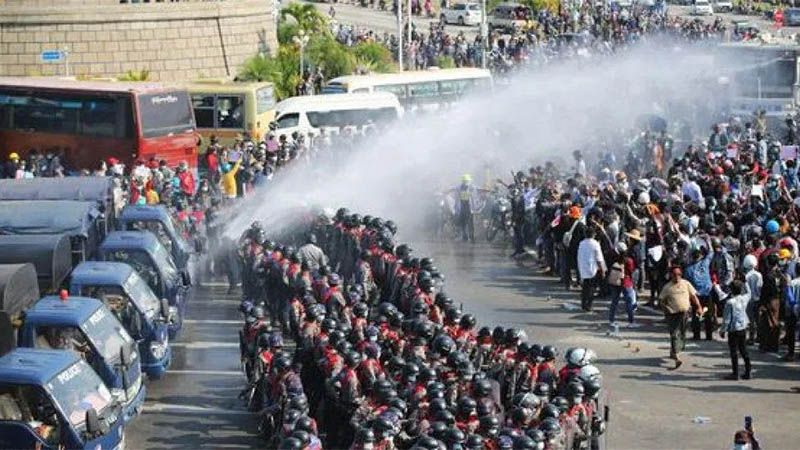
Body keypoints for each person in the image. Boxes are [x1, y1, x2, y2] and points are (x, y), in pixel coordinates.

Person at [658, 266, 702, 369]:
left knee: (682, 334)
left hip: (684, 313)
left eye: (679, 274)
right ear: (671, 275)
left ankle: (673, 351)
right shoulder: (667, 287)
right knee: (674, 334)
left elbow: (693, 296)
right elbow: (661, 301)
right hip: (672, 314)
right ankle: (677, 358)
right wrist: (666, 309)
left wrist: (699, 307)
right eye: (675, 274)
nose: (677, 277)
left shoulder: (686, 284)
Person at [718, 280, 752, 380]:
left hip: (733, 329)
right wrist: (746, 282)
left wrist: (723, 330)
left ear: (731, 290)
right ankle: (748, 370)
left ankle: (735, 373)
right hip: (742, 327)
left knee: (734, 352)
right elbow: (749, 293)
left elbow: (727, 319)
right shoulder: (744, 299)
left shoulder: (730, 302)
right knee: (743, 350)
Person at [577, 227, 605, 312]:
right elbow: (599, 258)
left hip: (583, 268)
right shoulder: (595, 244)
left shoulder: (581, 243)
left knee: (585, 287)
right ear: (593, 234)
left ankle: (583, 304)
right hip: (593, 269)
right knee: (592, 288)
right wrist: (602, 270)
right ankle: (589, 305)